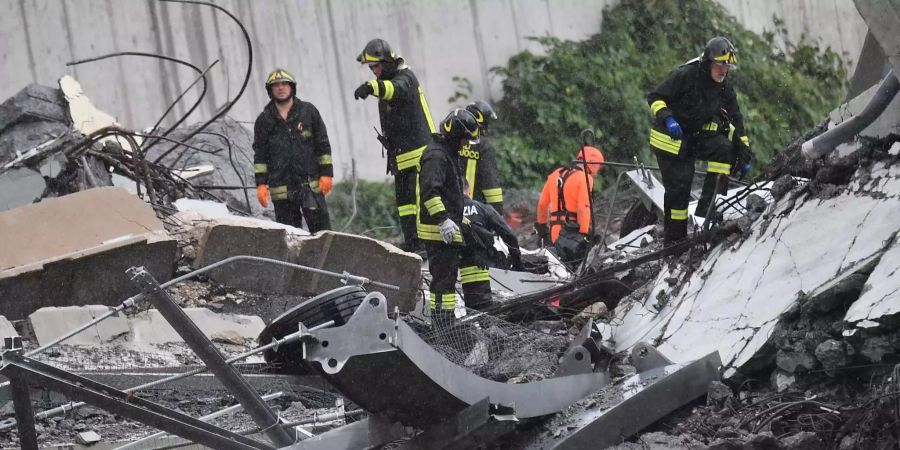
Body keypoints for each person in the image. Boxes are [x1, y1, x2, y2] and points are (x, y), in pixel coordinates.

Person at [647, 36, 752, 243]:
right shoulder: (686, 75)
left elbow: (736, 118)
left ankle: (708, 211)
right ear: (708, 62)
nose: (724, 70)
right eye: (720, 64)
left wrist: (744, 152)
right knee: (680, 190)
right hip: (669, 139)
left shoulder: (724, 86)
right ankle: (675, 242)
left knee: (724, 148)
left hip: (693, 138)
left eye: (727, 65)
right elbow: (655, 97)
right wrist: (668, 118)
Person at [353, 38, 437, 252]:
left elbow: (395, 90)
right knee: (406, 207)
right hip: (401, 160)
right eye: (371, 68)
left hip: (420, 157)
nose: (373, 71)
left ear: (388, 62)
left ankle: (426, 245)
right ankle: (413, 244)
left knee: (420, 204)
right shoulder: (388, 81)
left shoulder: (406, 77)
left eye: (376, 66)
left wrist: (371, 87)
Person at [418, 109, 480, 326]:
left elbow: (449, 193)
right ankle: (443, 324)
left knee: (448, 279)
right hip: (438, 231)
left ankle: (445, 320)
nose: (466, 144)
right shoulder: (436, 156)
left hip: (446, 228)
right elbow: (429, 193)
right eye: (464, 139)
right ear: (454, 134)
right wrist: (443, 220)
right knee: (443, 282)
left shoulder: (447, 153)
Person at [253, 68, 333, 232]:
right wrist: (260, 184)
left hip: (310, 186)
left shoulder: (308, 112)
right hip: (282, 191)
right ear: (270, 90)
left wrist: (327, 174)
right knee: (290, 238)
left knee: (324, 236)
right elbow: (260, 156)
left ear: (292, 87)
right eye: (276, 85)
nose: (281, 88)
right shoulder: (264, 120)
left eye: (284, 84)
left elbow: (322, 145)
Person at [535, 146, 605, 270]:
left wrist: (541, 229)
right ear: (593, 164)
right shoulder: (585, 178)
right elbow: (583, 208)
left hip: (553, 230)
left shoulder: (556, 174)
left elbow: (542, 204)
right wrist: (584, 235)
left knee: (554, 268)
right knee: (573, 270)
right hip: (570, 234)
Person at [460, 178, 523, 309]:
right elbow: (509, 236)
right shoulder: (483, 209)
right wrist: (517, 265)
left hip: (452, 270)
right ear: (468, 189)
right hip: (482, 272)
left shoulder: (445, 213)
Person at [457, 100, 505, 214]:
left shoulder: (455, 141)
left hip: (452, 209)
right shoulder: (484, 147)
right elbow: (491, 187)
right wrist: (497, 216)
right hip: (474, 211)